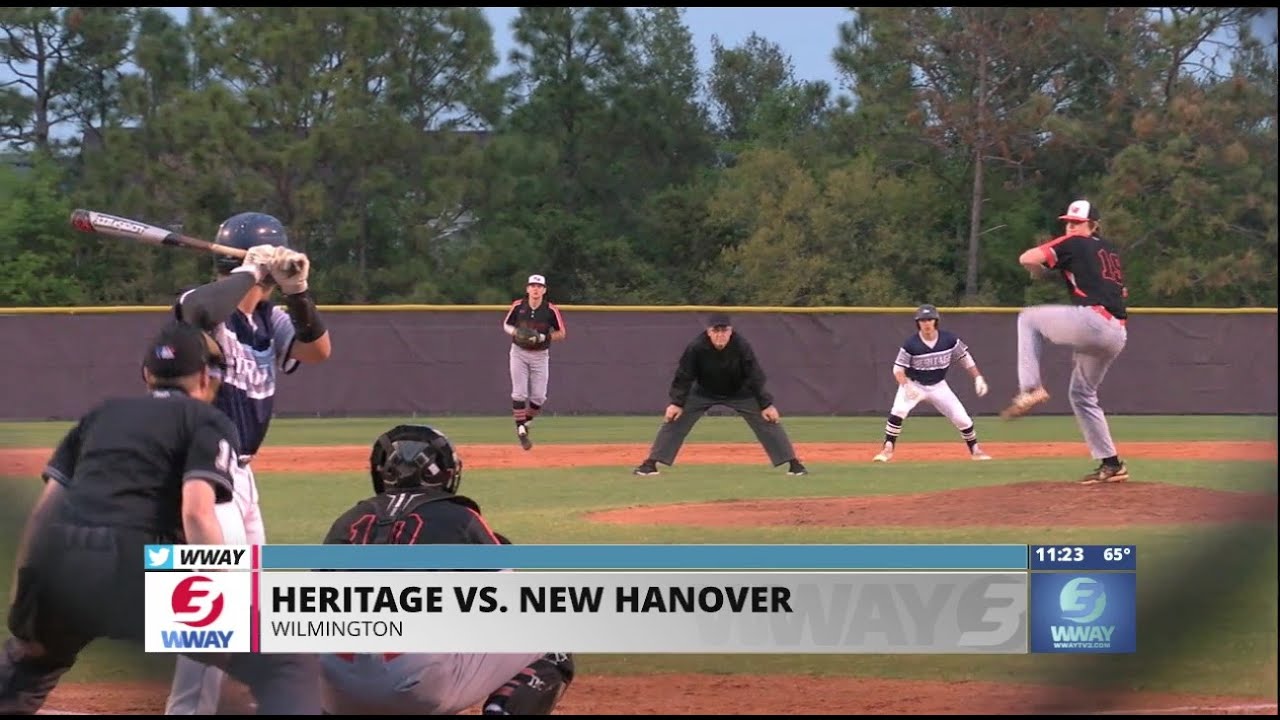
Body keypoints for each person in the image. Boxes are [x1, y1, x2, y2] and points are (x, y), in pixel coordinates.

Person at [0, 320, 321, 715]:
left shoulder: (101, 414)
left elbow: (43, 513)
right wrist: (224, 600)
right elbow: (197, 513)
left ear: (146, 375)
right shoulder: (207, 419)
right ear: (207, 377)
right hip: (138, 566)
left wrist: (27, 590)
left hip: (62, 567)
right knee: (285, 663)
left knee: (29, 665)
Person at [164, 212, 334, 714]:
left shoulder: (270, 319)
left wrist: (299, 292)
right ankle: (187, 710)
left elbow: (319, 350)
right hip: (199, 467)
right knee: (210, 600)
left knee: (248, 599)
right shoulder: (206, 306)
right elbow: (193, 312)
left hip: (241, 472)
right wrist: (249, 274)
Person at [317, 423, 576, 716]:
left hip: (334, 687)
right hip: (416, 681)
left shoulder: (348, 520)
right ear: (444, 472)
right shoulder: (459, 517)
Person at [1000, 199, 1130, 485]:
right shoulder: (1109, 252)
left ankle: (1030, 388)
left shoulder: (1075, 244)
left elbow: (1027, 258)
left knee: (1028, 319)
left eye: (1076, 223)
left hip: (1093, 322)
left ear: (1092, 225)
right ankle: (1111, 464)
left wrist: (1039, 269)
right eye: (1068, 223)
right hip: (1117, 332)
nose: (1070, 228)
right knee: (1082, 395)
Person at [632, 312, 807, 476]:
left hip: (739, 392)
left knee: (768, 420)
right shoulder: (697, 347)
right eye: (716, 330)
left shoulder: (741, 345)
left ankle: (793, 463)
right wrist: (676, 403)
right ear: (708, 332)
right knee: (674, 419)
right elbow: (684, 375)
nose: (720, 335)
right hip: (704, 392)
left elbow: (754, 374)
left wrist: (766, 404)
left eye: (724, 330)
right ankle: (650, 464)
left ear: (730, 331)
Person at [871, 304, 992, 462]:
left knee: (963, 419)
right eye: (922, 320)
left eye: (930, 319)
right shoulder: (911, 344)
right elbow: (897, 370)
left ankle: (976, 451)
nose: (926, 323)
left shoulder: (948, 340)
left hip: (938, 385)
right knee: (899, 410)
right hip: (915, 384)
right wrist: (906, 385)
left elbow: (965, 357)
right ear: (918, 323)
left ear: (936, 321)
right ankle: (887, 449)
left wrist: (977, 377)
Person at [502, 274, 566, 451]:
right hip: (519, 353)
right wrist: (517, 333)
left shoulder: (550, 310)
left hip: (540, 354)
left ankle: (526, 422)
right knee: (519, 393)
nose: (535, 289)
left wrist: (544, 336)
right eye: (532, 286)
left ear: (544, 290)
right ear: (527, 289)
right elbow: (506, 325)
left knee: (539, 397)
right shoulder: (518, 306)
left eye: (539, 286)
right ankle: (521, 430)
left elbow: (562, 333)